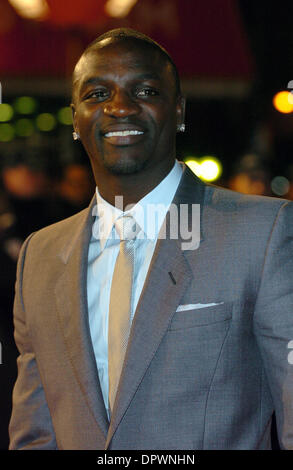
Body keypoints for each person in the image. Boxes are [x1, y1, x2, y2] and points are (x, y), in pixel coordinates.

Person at [9, 28, 293, 450]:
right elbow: (35, 432)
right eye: (97, 94)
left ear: (178, 111)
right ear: (75, 118)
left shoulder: (263, 233)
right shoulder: (40, 255)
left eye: (144, 90)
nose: (119, 108)